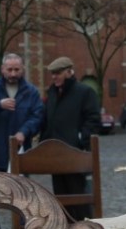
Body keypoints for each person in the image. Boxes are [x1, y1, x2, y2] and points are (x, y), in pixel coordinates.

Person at [40, 57, 101, 214]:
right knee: (61, 199)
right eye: (52, 73)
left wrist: (80, 139)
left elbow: (93, 120)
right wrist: (44, 144)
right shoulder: (52, 93)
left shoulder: (85, 92)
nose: (54, 77)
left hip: (76, 156)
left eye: (58, 73)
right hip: (56, 156)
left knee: (79, 198)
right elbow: (48, 120)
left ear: (69, 72)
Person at [0, 53, 45, 173]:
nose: (13, 74)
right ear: (2, 69)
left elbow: (37, 116)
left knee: (21, 190)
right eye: (9, 70)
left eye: (17, 69)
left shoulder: (32, 92)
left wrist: (24, 132)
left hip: (21, 153)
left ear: (23, 69)